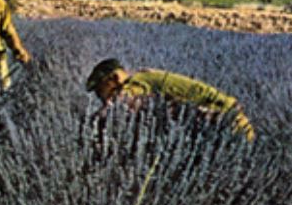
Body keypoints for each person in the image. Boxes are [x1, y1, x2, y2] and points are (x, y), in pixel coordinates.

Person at [85, 58, 255, 142]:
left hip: (227, 125)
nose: (102, 97)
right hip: (236, 120)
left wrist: (91, 124)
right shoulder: (145, 77)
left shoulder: (135, 82)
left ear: (113, 79)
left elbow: (119, 104)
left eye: (101, 91)